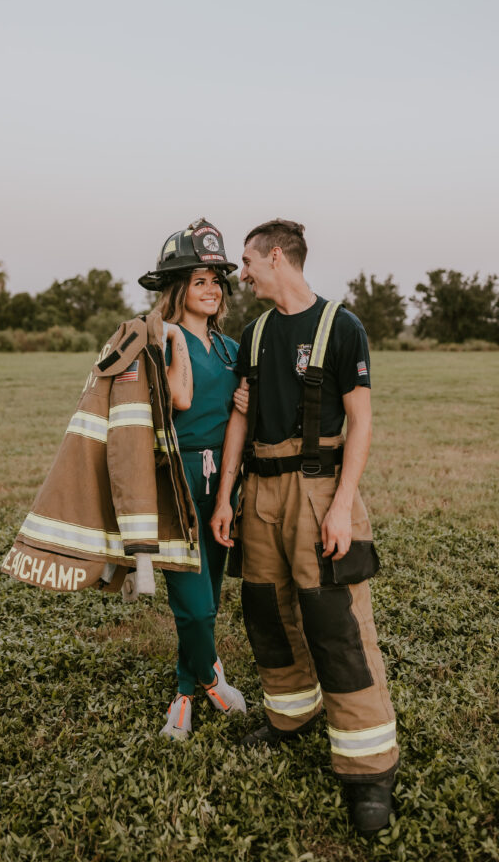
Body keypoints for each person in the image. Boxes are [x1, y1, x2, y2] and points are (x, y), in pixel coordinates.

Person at [210, 219, 399, 834]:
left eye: (245, 261)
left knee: (335, 623)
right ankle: (290, 715)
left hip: (318, 489)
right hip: (260, 490)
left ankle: (369, 769)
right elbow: (240, 418)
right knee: (266, 609)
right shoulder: (255, 332)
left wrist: (342, 504)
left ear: (274, 257)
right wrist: (225, 496)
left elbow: (361, 421)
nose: (241, 274)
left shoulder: (342, 326)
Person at [138, 218, 248, 740]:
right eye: (199, 281)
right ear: (179, 288)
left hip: (222, 484)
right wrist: (177, 339)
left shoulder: (230, 349)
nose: (211, 290)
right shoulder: (156, 340)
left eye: (216, 281)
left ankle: (186, 685)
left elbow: (241, 417)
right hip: (176, 480)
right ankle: (204, 681)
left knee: (210, 593)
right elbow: (178, 401)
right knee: (195, 603)